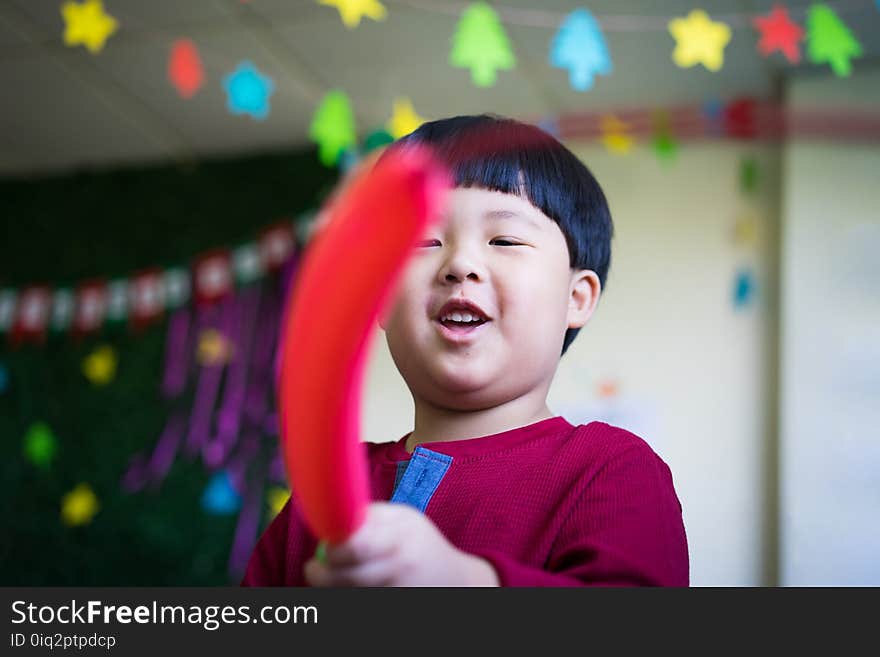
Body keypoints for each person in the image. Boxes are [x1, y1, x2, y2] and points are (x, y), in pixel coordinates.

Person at [242, 114, 689, 587]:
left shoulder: (610, 468)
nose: (459, 264)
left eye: (505, 240)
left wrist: (462, 580)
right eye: (424, 241)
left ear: (575, 299)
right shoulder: (318, 500)